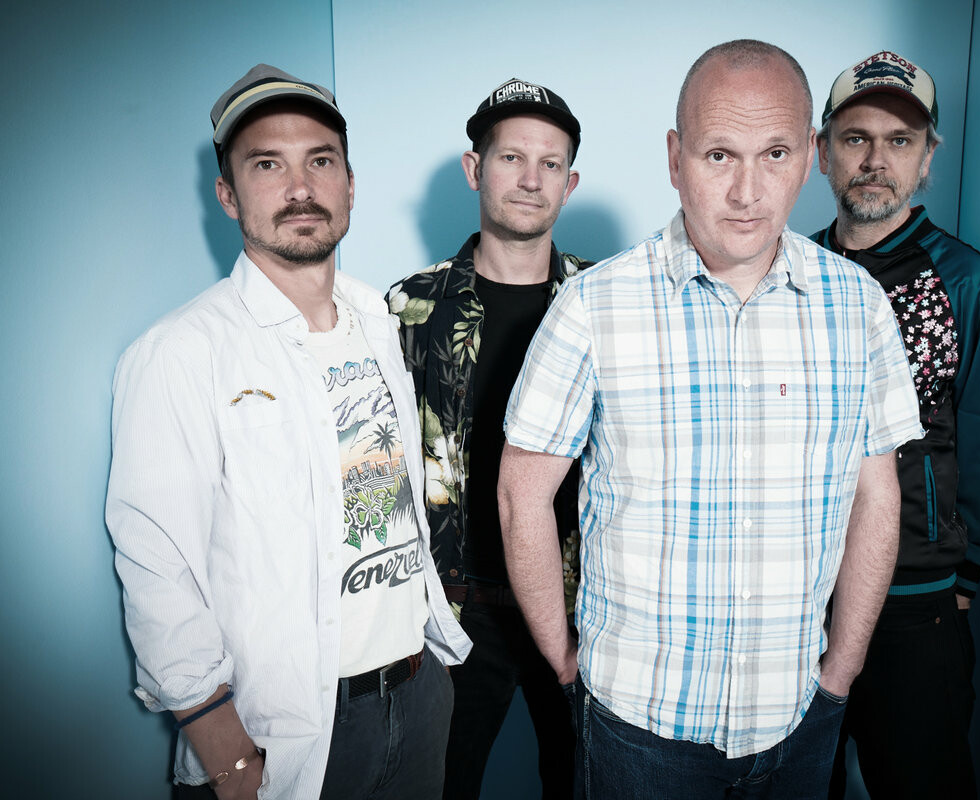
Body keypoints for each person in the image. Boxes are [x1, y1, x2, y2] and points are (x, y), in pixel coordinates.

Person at [497, 40, 925, 799]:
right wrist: (565, 664)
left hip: (799, 716)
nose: (747, 191)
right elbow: (520, 494)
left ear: (810, 157)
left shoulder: (859, 307)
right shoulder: (592, 306)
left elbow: (877, 495)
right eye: (719, 155)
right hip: (636, 724)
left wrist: (841, 671)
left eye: (775, 154)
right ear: (675, 158)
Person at [106, 64, 470, 800]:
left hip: (418, 696)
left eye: (320, 162)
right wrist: (226, 753)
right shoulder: (181, 351)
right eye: (267, 165)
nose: (300, 188)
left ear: (350, 185)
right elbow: (155, 561)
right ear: (228, 194)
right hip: (289, 730)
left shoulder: (376, 319)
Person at [811, 50, 980, 800]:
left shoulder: (964, 281)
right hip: (799, 596)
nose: (876, 160)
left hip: (916, 596)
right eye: (856, 138)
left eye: (900, 141)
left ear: (927, 159)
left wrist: (965, 576)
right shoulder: (791, 270)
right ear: (822, 153)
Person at [387, 77, 590, 799]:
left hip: (580, 603)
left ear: (569, 184)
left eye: (550, 163)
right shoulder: (409, 308)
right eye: (511, 158)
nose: (531, 179)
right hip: (453, 607)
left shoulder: (603, 302)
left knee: (586, 782)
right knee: (442, 784)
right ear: (475, 169)